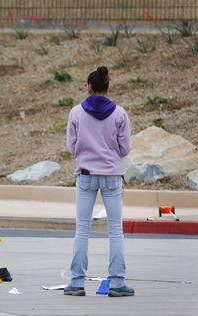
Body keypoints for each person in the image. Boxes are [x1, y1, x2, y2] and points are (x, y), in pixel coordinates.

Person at [64, 66, 134, 297]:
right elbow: (125, 148)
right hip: (112, 176)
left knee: (82, 230)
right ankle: (116, 283)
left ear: (88, 88)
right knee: (115, 231)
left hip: (85, 175)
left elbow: (71, 146)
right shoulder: (120, 114)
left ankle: (76, 283)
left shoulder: (76, 112)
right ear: (108, 87)